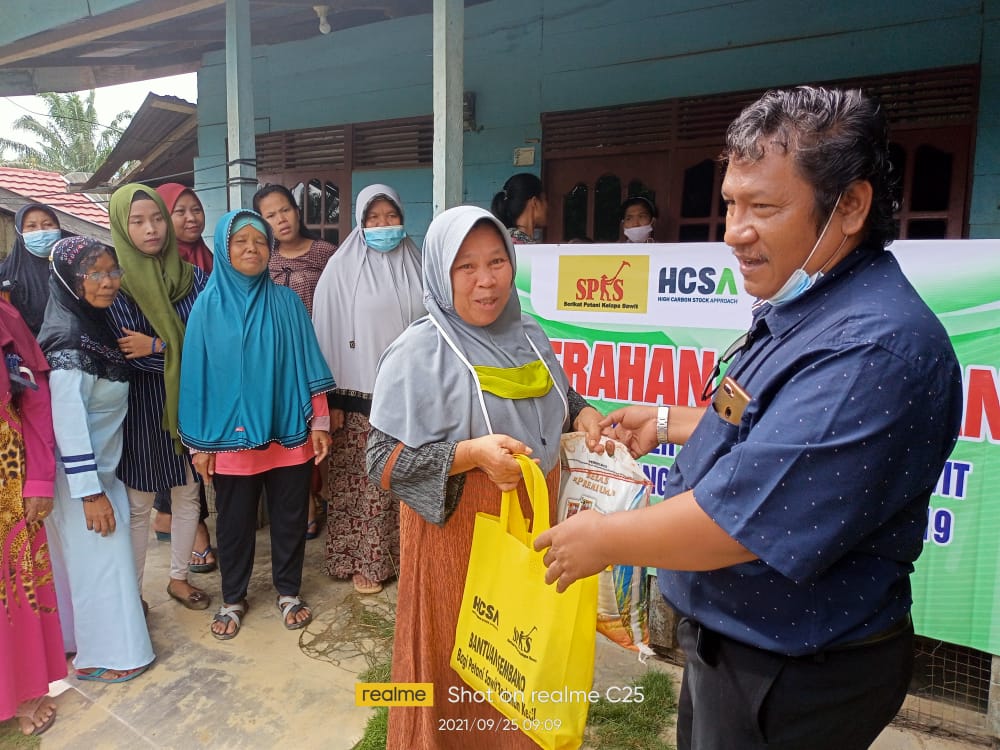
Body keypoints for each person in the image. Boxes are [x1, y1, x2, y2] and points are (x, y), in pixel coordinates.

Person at [534, 86, 964, 750]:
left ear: (849, 207)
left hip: (793, 669)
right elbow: (761, 420)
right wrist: (675, 421)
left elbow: (741, 523)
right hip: (741, 641)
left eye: (763, 206)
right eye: (731, 201)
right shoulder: (810, 301)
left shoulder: (871, 351)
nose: (734, 231)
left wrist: (605, 539)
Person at [366, 206, 605, 749]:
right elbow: (380, 460)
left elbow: (559, 398)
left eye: (497, 261)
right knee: (461, 667)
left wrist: (583, 411)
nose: (486, 280)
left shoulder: (530, 336)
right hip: (459, 539)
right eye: (466, 266)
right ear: (440, 275)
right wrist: (471, 454)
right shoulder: (416, 352)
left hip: (532, 525)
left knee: (523, 657)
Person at [179, 210, 334, 640]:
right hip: (228, 440)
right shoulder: (206, 308)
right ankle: (233, 598)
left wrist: (319, 420)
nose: (252, 249)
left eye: (260, 241)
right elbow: (196, 379)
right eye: (240, 241)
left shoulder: (285, 302)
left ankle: (288, 592)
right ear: (224, 249)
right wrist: (201, 443)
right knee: (234, 523)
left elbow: (308, 363)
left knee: (288, 518)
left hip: (288, 432)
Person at [39, 236, 154, 683]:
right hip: (80, 481)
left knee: (96, 564)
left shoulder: (96, 327)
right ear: (70, 281)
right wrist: (89, 494)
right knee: (100, 564)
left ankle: (91, 645)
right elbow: (68, 424)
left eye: (113, 272)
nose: (107, 283)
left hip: (101, 472)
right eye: (95, 274)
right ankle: (114, 654)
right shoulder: (69, 340)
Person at [313, 184, 423, 595]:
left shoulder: (418, 262)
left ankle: (402, 557)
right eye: (373, 219)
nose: (383, 226)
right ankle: (359, 560)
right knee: (362, 482)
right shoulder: (341, 271)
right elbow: (326, 334)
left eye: (390, 217)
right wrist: (332, 402)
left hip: (411, 398)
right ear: (360, 223)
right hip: (357, 401)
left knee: (403, 478)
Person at [106, 184, 210, 612]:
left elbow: (210, 345)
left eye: (156, 219)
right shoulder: (116, 286)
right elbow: (126, 353)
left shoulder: (194, 280)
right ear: (121, 226)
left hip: (189, 406)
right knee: (139, 504)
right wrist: (170, 351)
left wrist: (161, 346)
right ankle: (132, 594)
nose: (151, 229)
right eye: (137, 221)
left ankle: (179, 578)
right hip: (142, 410)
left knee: (189, 493)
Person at [254, 183, 337, 539]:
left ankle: (334, 499)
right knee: (297, 434)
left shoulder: (326, 253)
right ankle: (307, 504)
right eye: (269, 215)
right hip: (283, 364)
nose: (280, 220)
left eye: (284, 210)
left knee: (330, 433)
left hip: (327, 357)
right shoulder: (262, 262)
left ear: (297, 210)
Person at [0, 297, 65, 736]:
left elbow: (36, 398)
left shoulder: (4, 316)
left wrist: (39, 478)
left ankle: (20, 690)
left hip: (6, 472)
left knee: (11, 587)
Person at [151, 182, 216, 575]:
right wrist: (164, 346)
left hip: (204, 371)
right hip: (161, 376)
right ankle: (195, 530)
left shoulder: (208, 260)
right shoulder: (154, 267)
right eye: (180, 211)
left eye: (196, 209)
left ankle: (169, 516)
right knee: (175, 451)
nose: (191, 218)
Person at [0, 204, 67, 335]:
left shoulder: (75, 268)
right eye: (31, 226)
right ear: (19, 232)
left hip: (74, 346)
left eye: (48, 224)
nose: (41, 231)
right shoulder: (5, 275)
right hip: (25, 350)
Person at [490, 173, 547, 244]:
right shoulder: (514, 244)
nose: (547, 206)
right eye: (544, 199)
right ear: (535, 203)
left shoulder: (504, 241)